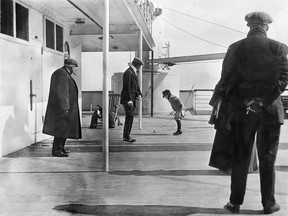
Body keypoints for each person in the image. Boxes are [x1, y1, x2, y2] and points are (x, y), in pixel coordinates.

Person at [211, 12, 288, 214]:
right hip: (271, 111)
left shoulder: (235, 48)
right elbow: (283, 80)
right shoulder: (279, 47)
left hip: (242, 111)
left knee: (240, 157)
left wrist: (247, 102)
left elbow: (227, 80)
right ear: (267, 27)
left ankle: (235, 203)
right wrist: (261, 102)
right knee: (268, 158)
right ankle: (269, 204)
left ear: (249, 26)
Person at [43, 58, 82, 157]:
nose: (76, 70)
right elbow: (62, 92)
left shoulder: (64, 73)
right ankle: (56, 150)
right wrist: (65, 107)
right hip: (62, 108)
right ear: (71, 66)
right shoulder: (62, 74)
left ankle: (61, 148)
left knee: (64, 129)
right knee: (61, 129)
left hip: (64, 108)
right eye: (75, 68)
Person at [120, 57, 143, 142]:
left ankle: (127, 135)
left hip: (131, 98)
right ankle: (126, 136)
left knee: (130, 117)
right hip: (128, 99)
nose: (140, 68)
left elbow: (135, 85)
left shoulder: (132, 72)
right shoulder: (128, 73)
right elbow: (127, 87)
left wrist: (139, 93)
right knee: (130, 116)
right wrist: (129, 100)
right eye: (140, 66)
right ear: (137, 65)